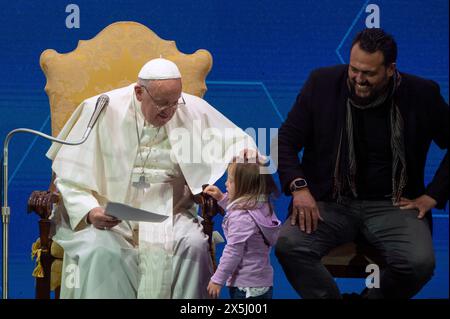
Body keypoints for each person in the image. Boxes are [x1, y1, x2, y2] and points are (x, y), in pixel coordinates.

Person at [46, 58, 257, 298]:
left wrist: (247, 156)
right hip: (111, 218)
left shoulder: (191, 107)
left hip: (171, 215)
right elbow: (69, 176)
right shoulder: (101, 108)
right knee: (100, 252)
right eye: (162, 103)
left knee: (193, 247)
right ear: (139, 92)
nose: (170, 111)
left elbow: (241, 144)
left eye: (175, 102)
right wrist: (91, 211)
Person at [275, 28, 448, 299]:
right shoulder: (322, 83)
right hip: (330, 202)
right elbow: (285, 140)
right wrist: (299, 187)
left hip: (394, 204)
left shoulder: (422, 94)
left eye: (368, 73)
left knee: (419, 263)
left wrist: (434, 195)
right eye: (354, 69)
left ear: (390, 69)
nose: (358, 79)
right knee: (289, 245)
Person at [203, 160, 281, 299]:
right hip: (261, 282)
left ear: (243, 187)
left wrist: (217, 279)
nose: (226, 183)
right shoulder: (260, 206)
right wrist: (222, 198)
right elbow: (244, 209)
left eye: (230, 181)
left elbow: (233, 251)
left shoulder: (241, 218)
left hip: (245, 289)